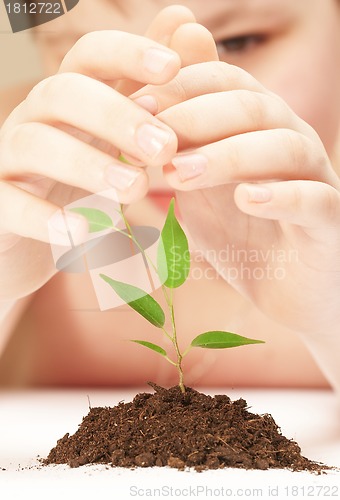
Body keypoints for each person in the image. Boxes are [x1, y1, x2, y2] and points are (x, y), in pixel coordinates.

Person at [0, 0, 339, 392]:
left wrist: (332, 320)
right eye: (91, 46)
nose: (161, 126)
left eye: (238, 42)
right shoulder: (18, 173)